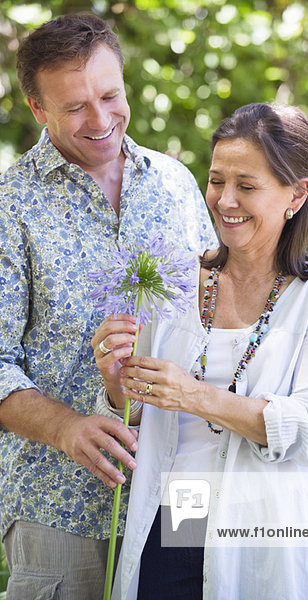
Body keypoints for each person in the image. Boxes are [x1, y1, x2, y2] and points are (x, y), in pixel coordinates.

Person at [93, 102, 308, 600]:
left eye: (247, 185)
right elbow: (134, 420)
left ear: (296, 194)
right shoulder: (174, 280)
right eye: (217, 181)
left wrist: (194, 396)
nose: (225, 200)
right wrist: (115, 385)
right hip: (180, 509)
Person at [0, 13, 215, 600]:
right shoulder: (10, 205)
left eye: (110, 95)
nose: (100, 120)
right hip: (60, 500)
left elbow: (217, 318)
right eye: (74, 107)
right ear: (37, 108)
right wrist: (67, 427)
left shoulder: (176, 183)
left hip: (180, 484)